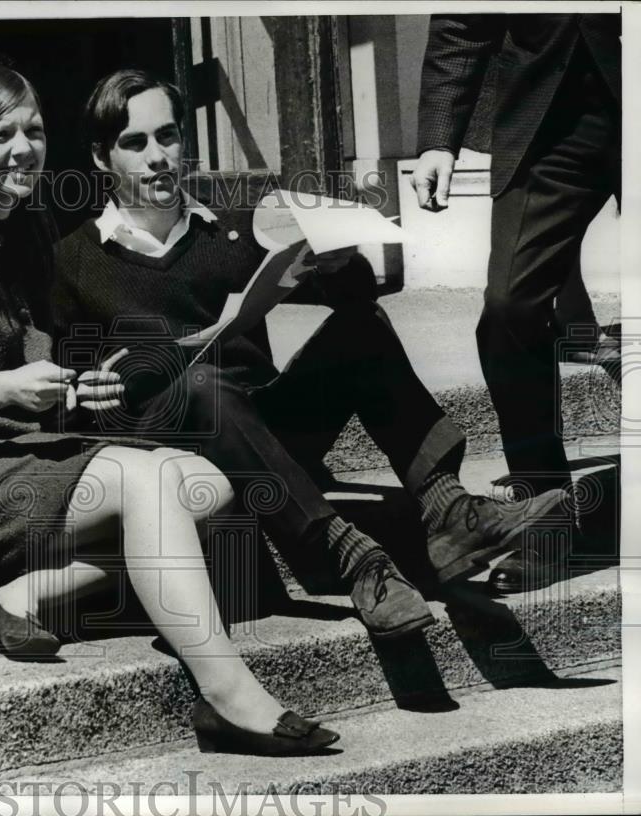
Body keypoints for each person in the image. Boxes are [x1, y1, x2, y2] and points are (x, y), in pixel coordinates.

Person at [0, 62, 339, 756]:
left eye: (34, 131)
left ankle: (25, 597)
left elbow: (35, 367)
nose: (23, 148)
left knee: (206, 483)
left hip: (10, 451)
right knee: (146, 480)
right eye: (0, 135)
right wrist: (10, 389)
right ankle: (226, 690)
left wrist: (77, 389)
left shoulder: (24, 230)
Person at [51, 69, 570, 637]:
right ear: (103, 158)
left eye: (168, 136)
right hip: (182, 459)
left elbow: (354, 301)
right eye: (135, 143)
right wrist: (87, 393)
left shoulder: (234, 228)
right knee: (203, 387)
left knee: (362, 329)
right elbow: (65, 401)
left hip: (269, 430)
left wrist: (337, 260)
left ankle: (447, 508)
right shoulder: (73, 262)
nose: (158, 157)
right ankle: (350, 558)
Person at [411, 13, 620, 591]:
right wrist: (437, 139)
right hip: (552, 124)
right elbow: (461, 23)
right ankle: (547, 519)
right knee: (509, 309)